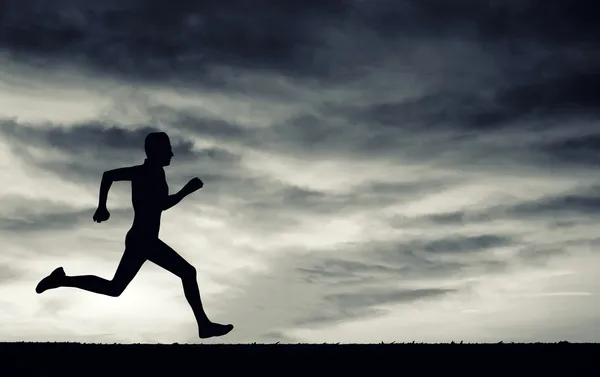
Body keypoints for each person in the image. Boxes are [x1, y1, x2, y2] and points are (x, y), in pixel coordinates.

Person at [36, 131, 234, 339]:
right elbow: (115, 179)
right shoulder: (144, 173)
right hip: (143, 239)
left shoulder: (156, 173)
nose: (172, 154)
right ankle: (203, 325)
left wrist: (184, 192)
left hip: (143, 239)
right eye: (168, 149)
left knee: (115, 288)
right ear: (156, 151)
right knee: (187, 272)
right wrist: (102, 207)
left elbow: (155, 203)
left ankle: (61, 280)